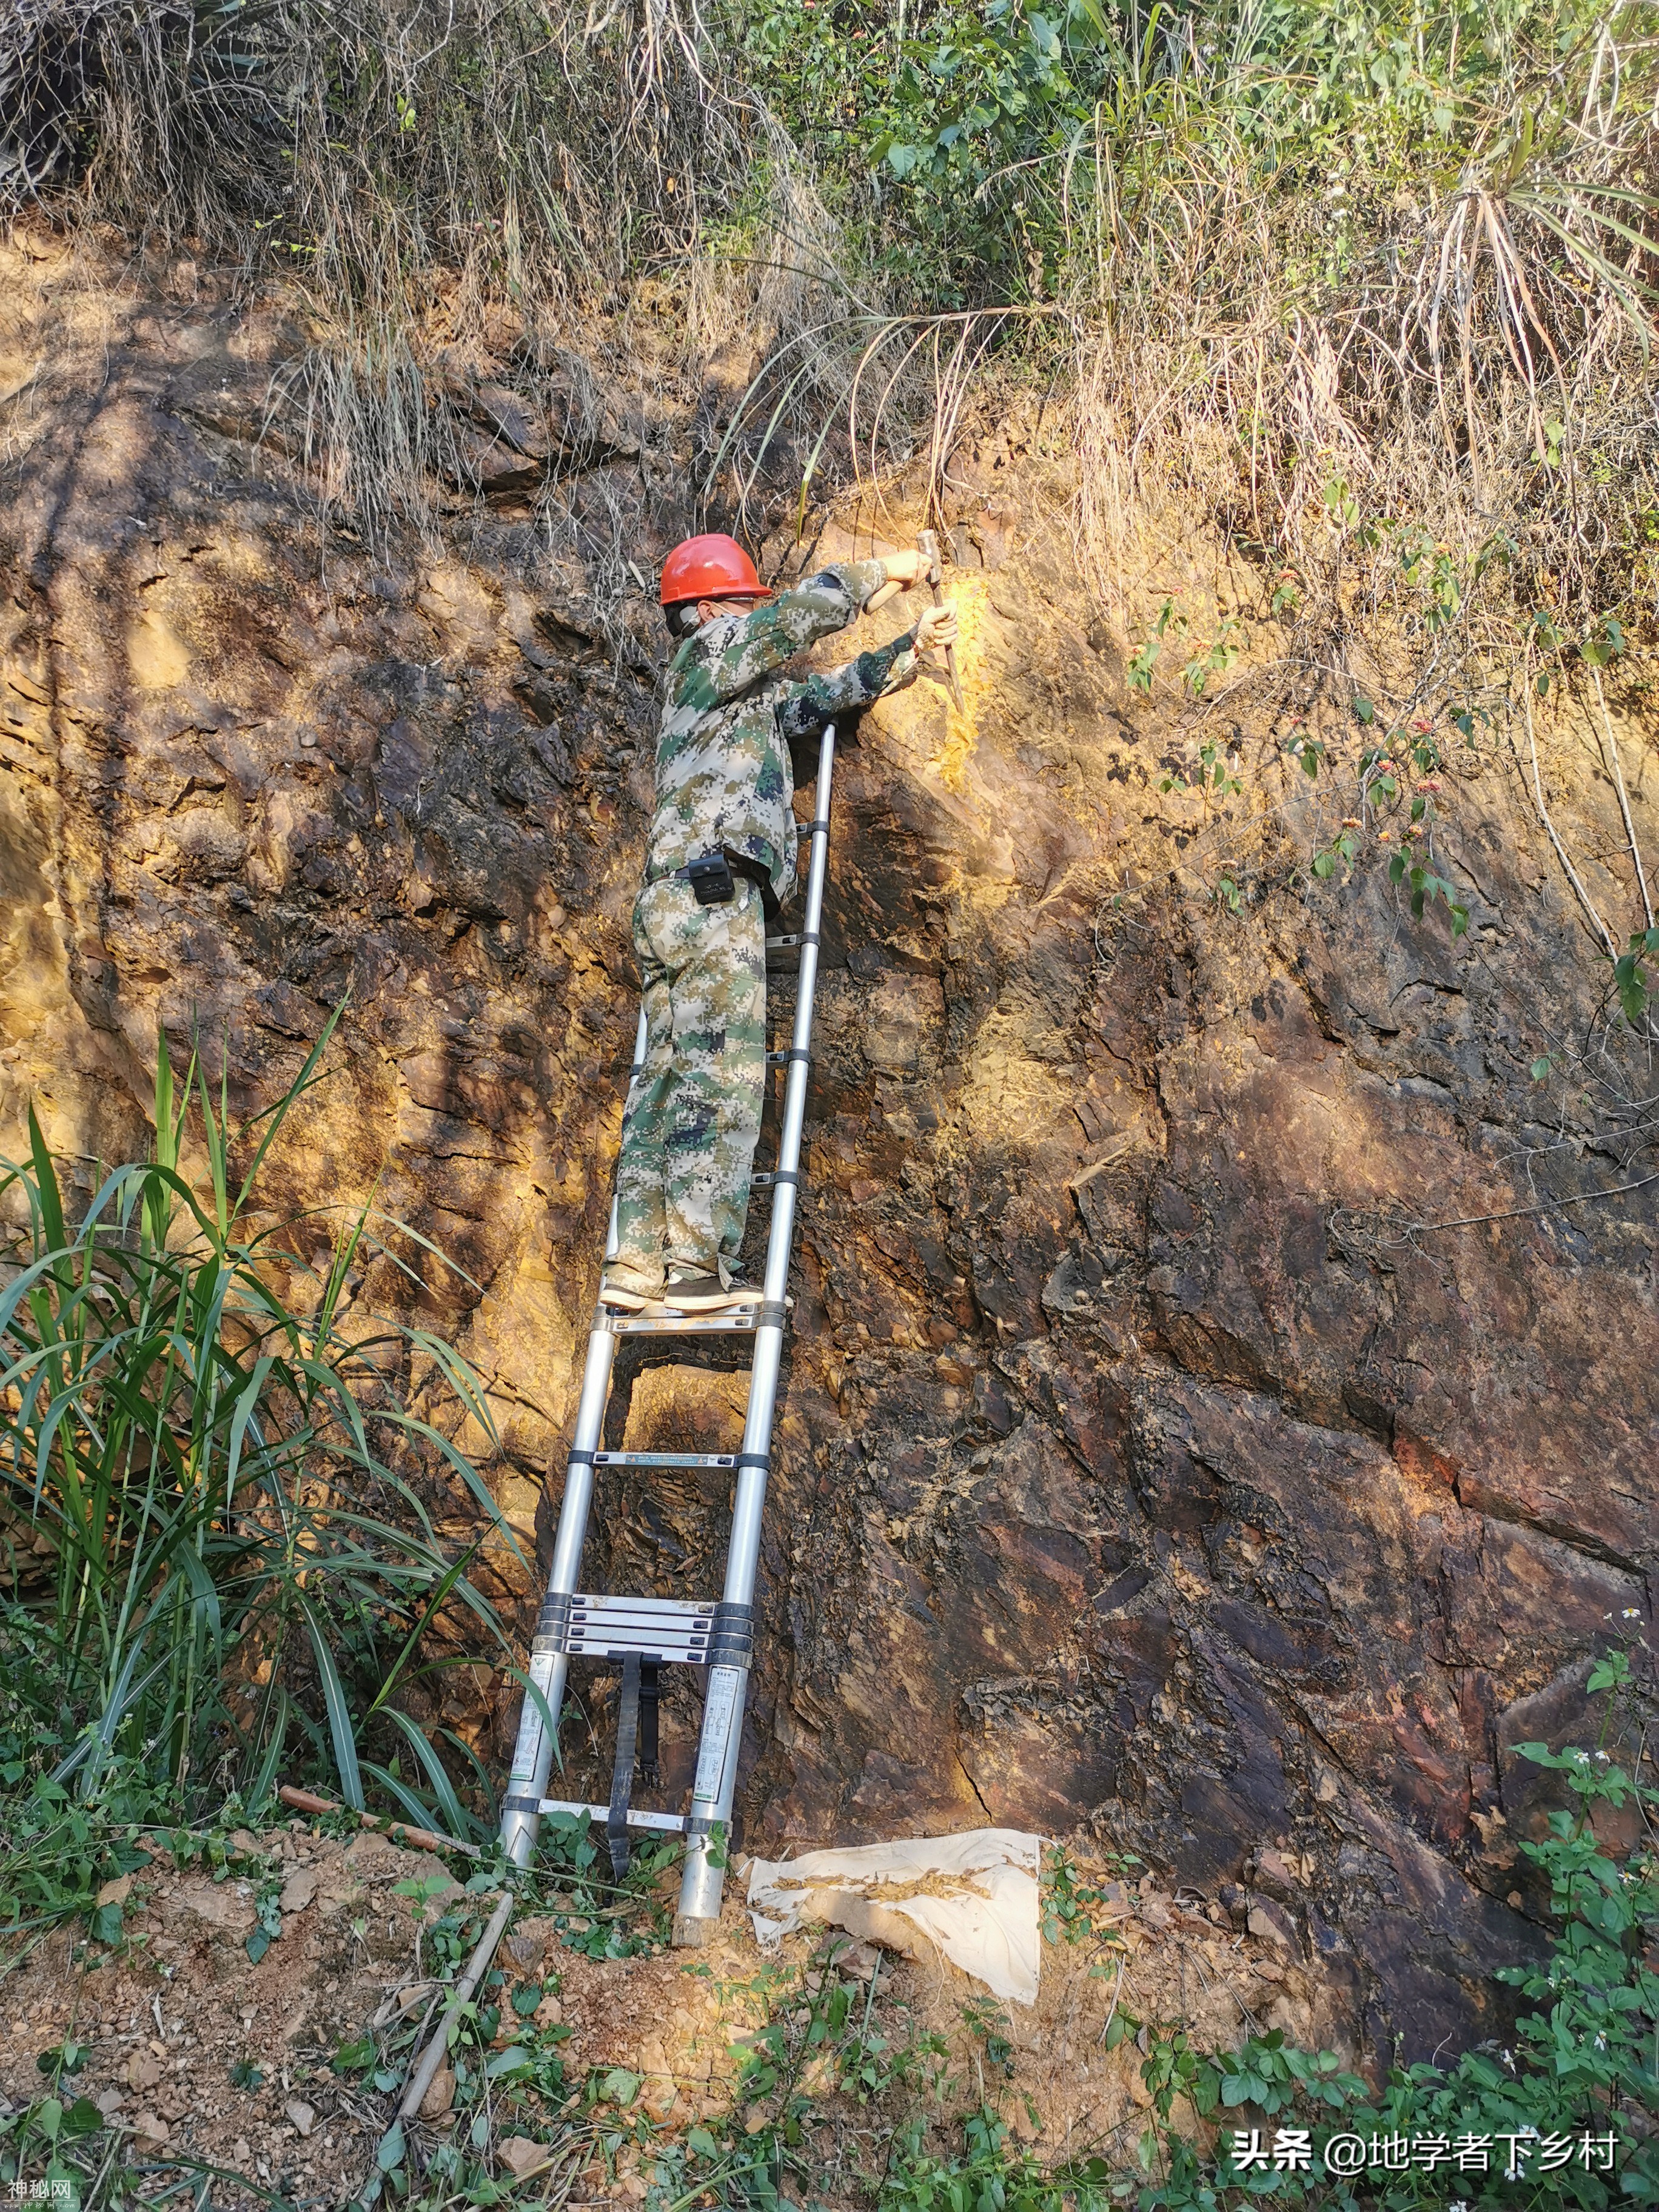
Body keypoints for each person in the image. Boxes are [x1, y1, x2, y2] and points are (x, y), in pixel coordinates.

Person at [602, 533, 959, 1314]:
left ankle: (634, 1264)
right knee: (721, 1074)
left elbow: (819, 700)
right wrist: (890, 573)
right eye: (737, 603)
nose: (748, 615)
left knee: (662, 1076)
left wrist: (911, 649)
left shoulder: (729, 699)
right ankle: (694, 1263)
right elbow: (798, 618)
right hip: (712, 895)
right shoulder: (711, 651)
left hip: (672, 902)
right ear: (699, 612)